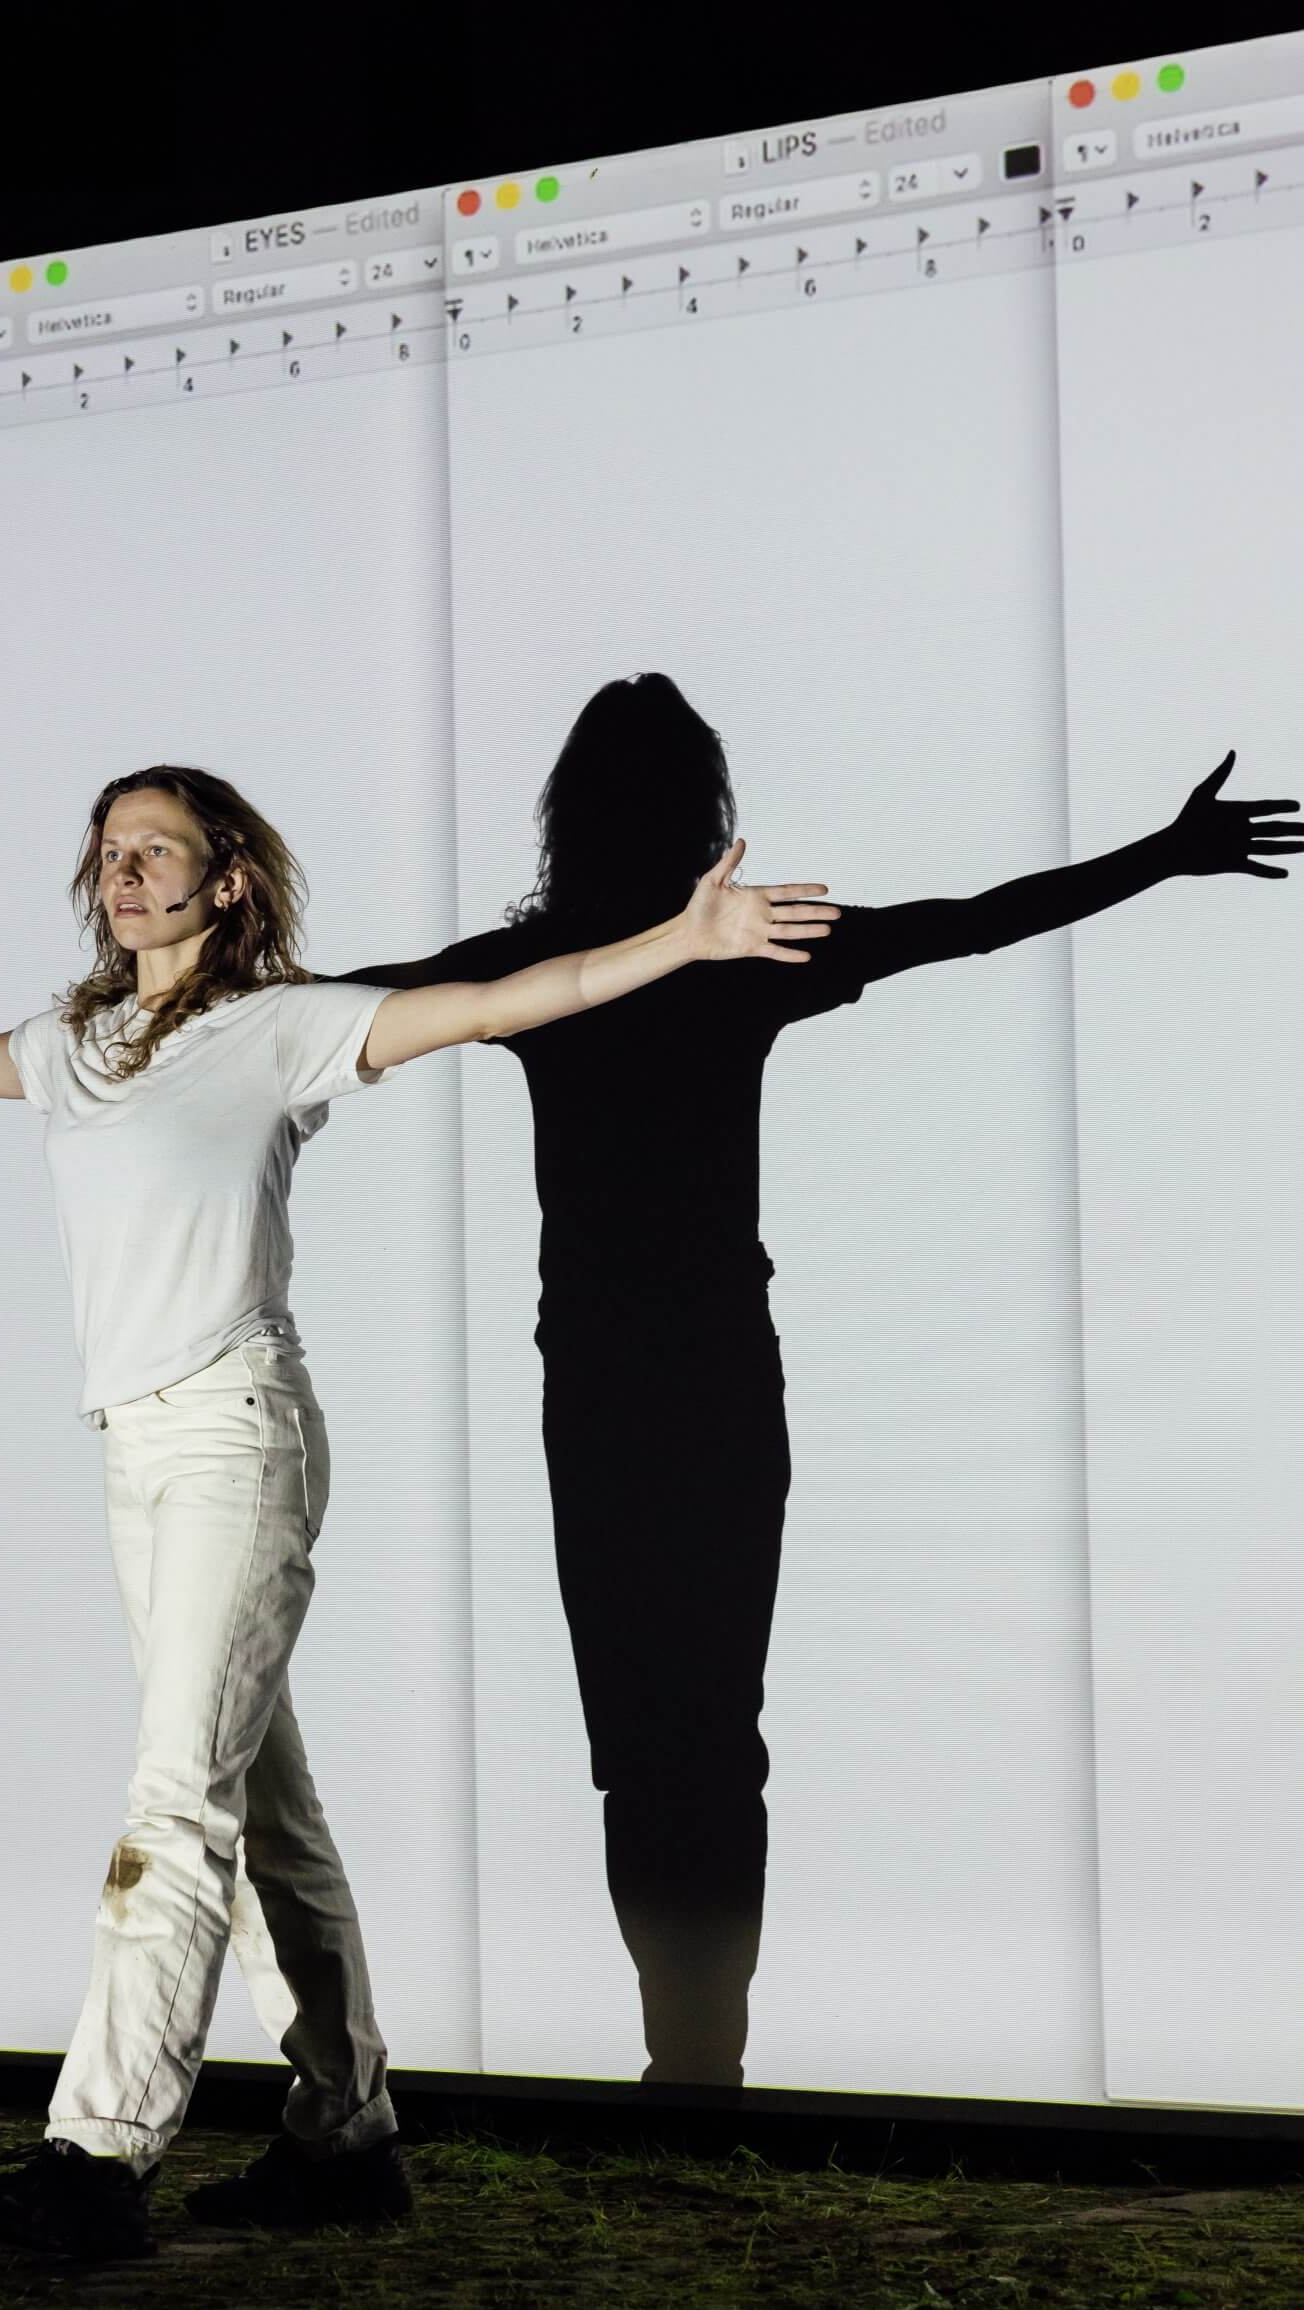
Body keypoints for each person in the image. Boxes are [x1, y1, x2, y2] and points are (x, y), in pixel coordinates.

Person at [0, 761, 837, 2257]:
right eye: (108, 851)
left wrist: (680, 945)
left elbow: (512, 997)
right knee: (261, 1814)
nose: (122, 874)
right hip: (136, 1453)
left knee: (175, 1802)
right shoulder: (76, 1042)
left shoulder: (275, 1029)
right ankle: (346, 2135)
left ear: (226, 880)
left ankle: (98, 2153)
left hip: (236, 1444)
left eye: (156, 851)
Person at [316, 678, 1299, 2092]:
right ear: (704, 808)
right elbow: (970, 921)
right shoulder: (738, 954)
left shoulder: (541, 962)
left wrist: (170, 980)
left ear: (566, 813)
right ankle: (702, 2065)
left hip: (598, 1389)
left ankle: (688, 2059)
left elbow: (334, 1007)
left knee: (642, 1742)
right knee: (713, 1732)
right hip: (714, 1379)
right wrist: (1162, 853)